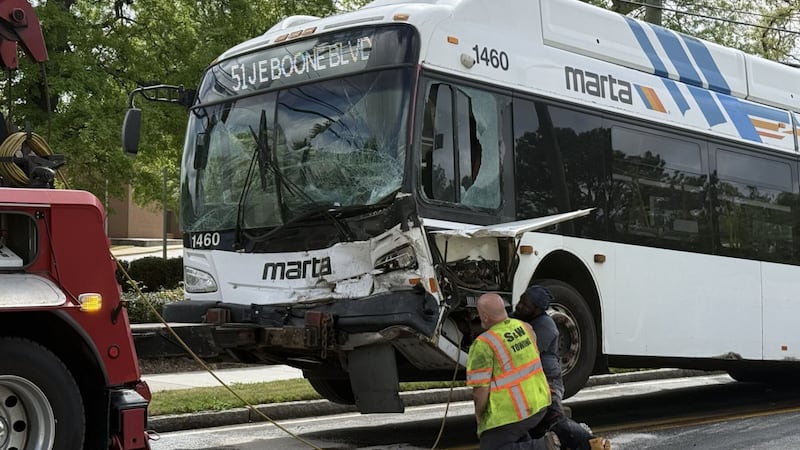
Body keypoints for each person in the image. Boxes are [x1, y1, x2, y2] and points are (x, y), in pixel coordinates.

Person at [513, 285, 611, 450]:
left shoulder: (545, 325)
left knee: (555, 420)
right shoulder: (522, 317)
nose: (519, 306)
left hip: (548, 382)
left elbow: (527, 353)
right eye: (521, 300)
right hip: (534, 381)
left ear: (536, 309)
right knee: (540, 427)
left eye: (525, 304)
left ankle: (592, 443)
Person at [466, 292, 552, 450]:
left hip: (512, 413)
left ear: (484, 317)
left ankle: (544, 446)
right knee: (515, 439)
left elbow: (480, 392)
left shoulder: (483, 344)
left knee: (492, 446)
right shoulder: (525, 327)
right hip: (540, 403)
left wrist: (479, 416)